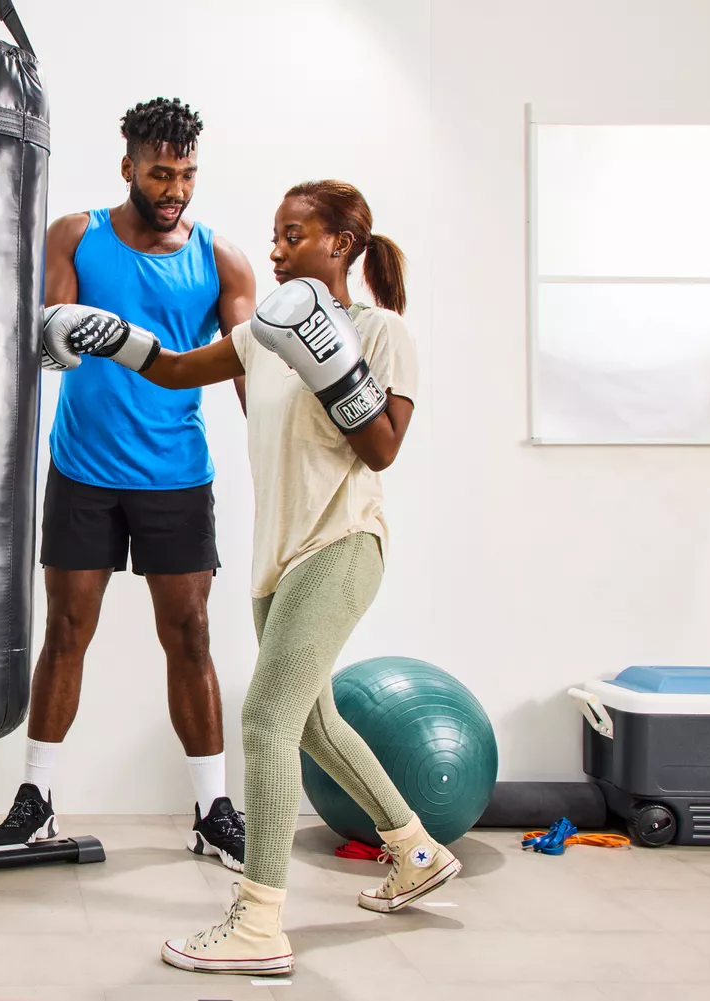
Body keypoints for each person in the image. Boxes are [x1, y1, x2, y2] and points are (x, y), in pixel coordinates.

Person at [47, 180, 461, 975]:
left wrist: (330, 360)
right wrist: (110, 335)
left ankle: (259, 922)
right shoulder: (259, 335)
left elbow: (381, 450)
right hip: (279, 559)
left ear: (340, 244)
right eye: (274, 235)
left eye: (294, 234)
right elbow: (171, 371)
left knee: (267, 718)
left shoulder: (383, 332)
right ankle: (413, 848)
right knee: (311, 721)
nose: (275, 249)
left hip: (342, 544)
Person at [0, 98, 257, 873]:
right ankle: (36, 799)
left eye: (187, 174)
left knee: (191, 635)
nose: (175, 188)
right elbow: (45, 333)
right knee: (66, 630)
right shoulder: (77, 234)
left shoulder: (222, 258)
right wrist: (60, 331)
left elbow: (249, 374)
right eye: (161, 172)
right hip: (83, 469)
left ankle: (212, 809)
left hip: (176, 473)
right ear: (129, 166)